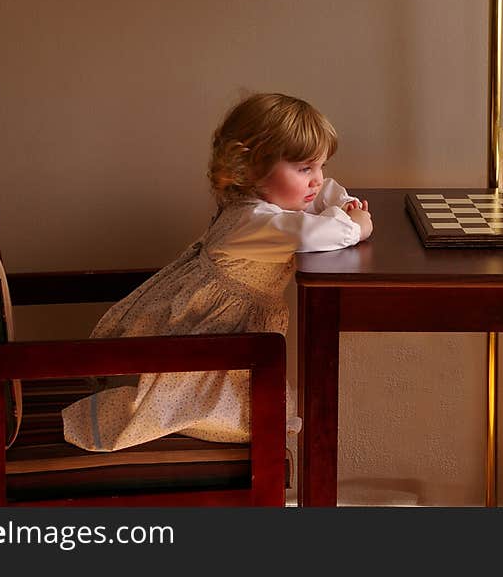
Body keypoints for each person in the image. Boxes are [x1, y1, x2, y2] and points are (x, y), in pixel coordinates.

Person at [62, 92, 372, 451]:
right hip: (211, 335)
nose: (317, 180)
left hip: (217, 330)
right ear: (253, 169)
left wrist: (341, 202)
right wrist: (357, 224)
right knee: (218, 409)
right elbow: (314, 232)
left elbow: (321, 196)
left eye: (321, 167)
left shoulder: (258, 202)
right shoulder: (258, 222)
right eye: (305, 169)